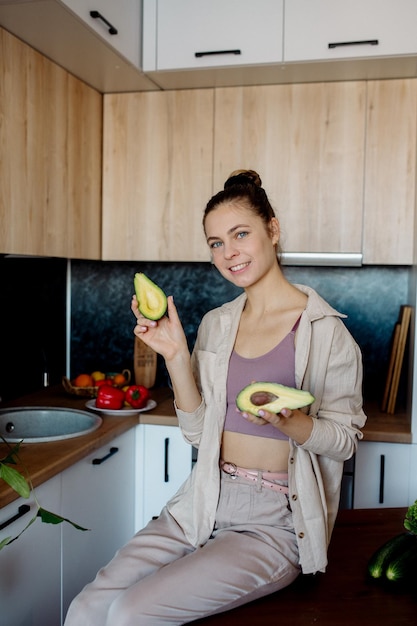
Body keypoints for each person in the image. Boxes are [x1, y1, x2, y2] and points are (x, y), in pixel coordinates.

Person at [64, 169, 366, 625]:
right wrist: (175, 355)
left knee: (129, 613)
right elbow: (196, 432)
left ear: (273, 229)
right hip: (202, 498)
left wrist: (291, 422)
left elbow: (344, 441)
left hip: (273, 522)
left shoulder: (328, 333)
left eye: (239, 234)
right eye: (215, 243)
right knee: (86, 609)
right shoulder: (216, 324)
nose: (228, 253)